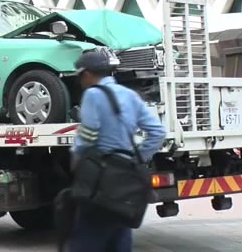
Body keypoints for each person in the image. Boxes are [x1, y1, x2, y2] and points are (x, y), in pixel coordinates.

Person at [64, 49, 166, 252]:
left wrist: (75, 158)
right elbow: (157, 132)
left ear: (87, 73)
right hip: (125, 178)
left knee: (87, 237)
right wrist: (138, 157)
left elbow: (88, 135)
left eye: (79, 76)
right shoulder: (130, 95)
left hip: (100, 178)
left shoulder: (93, 95)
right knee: (119, 232)